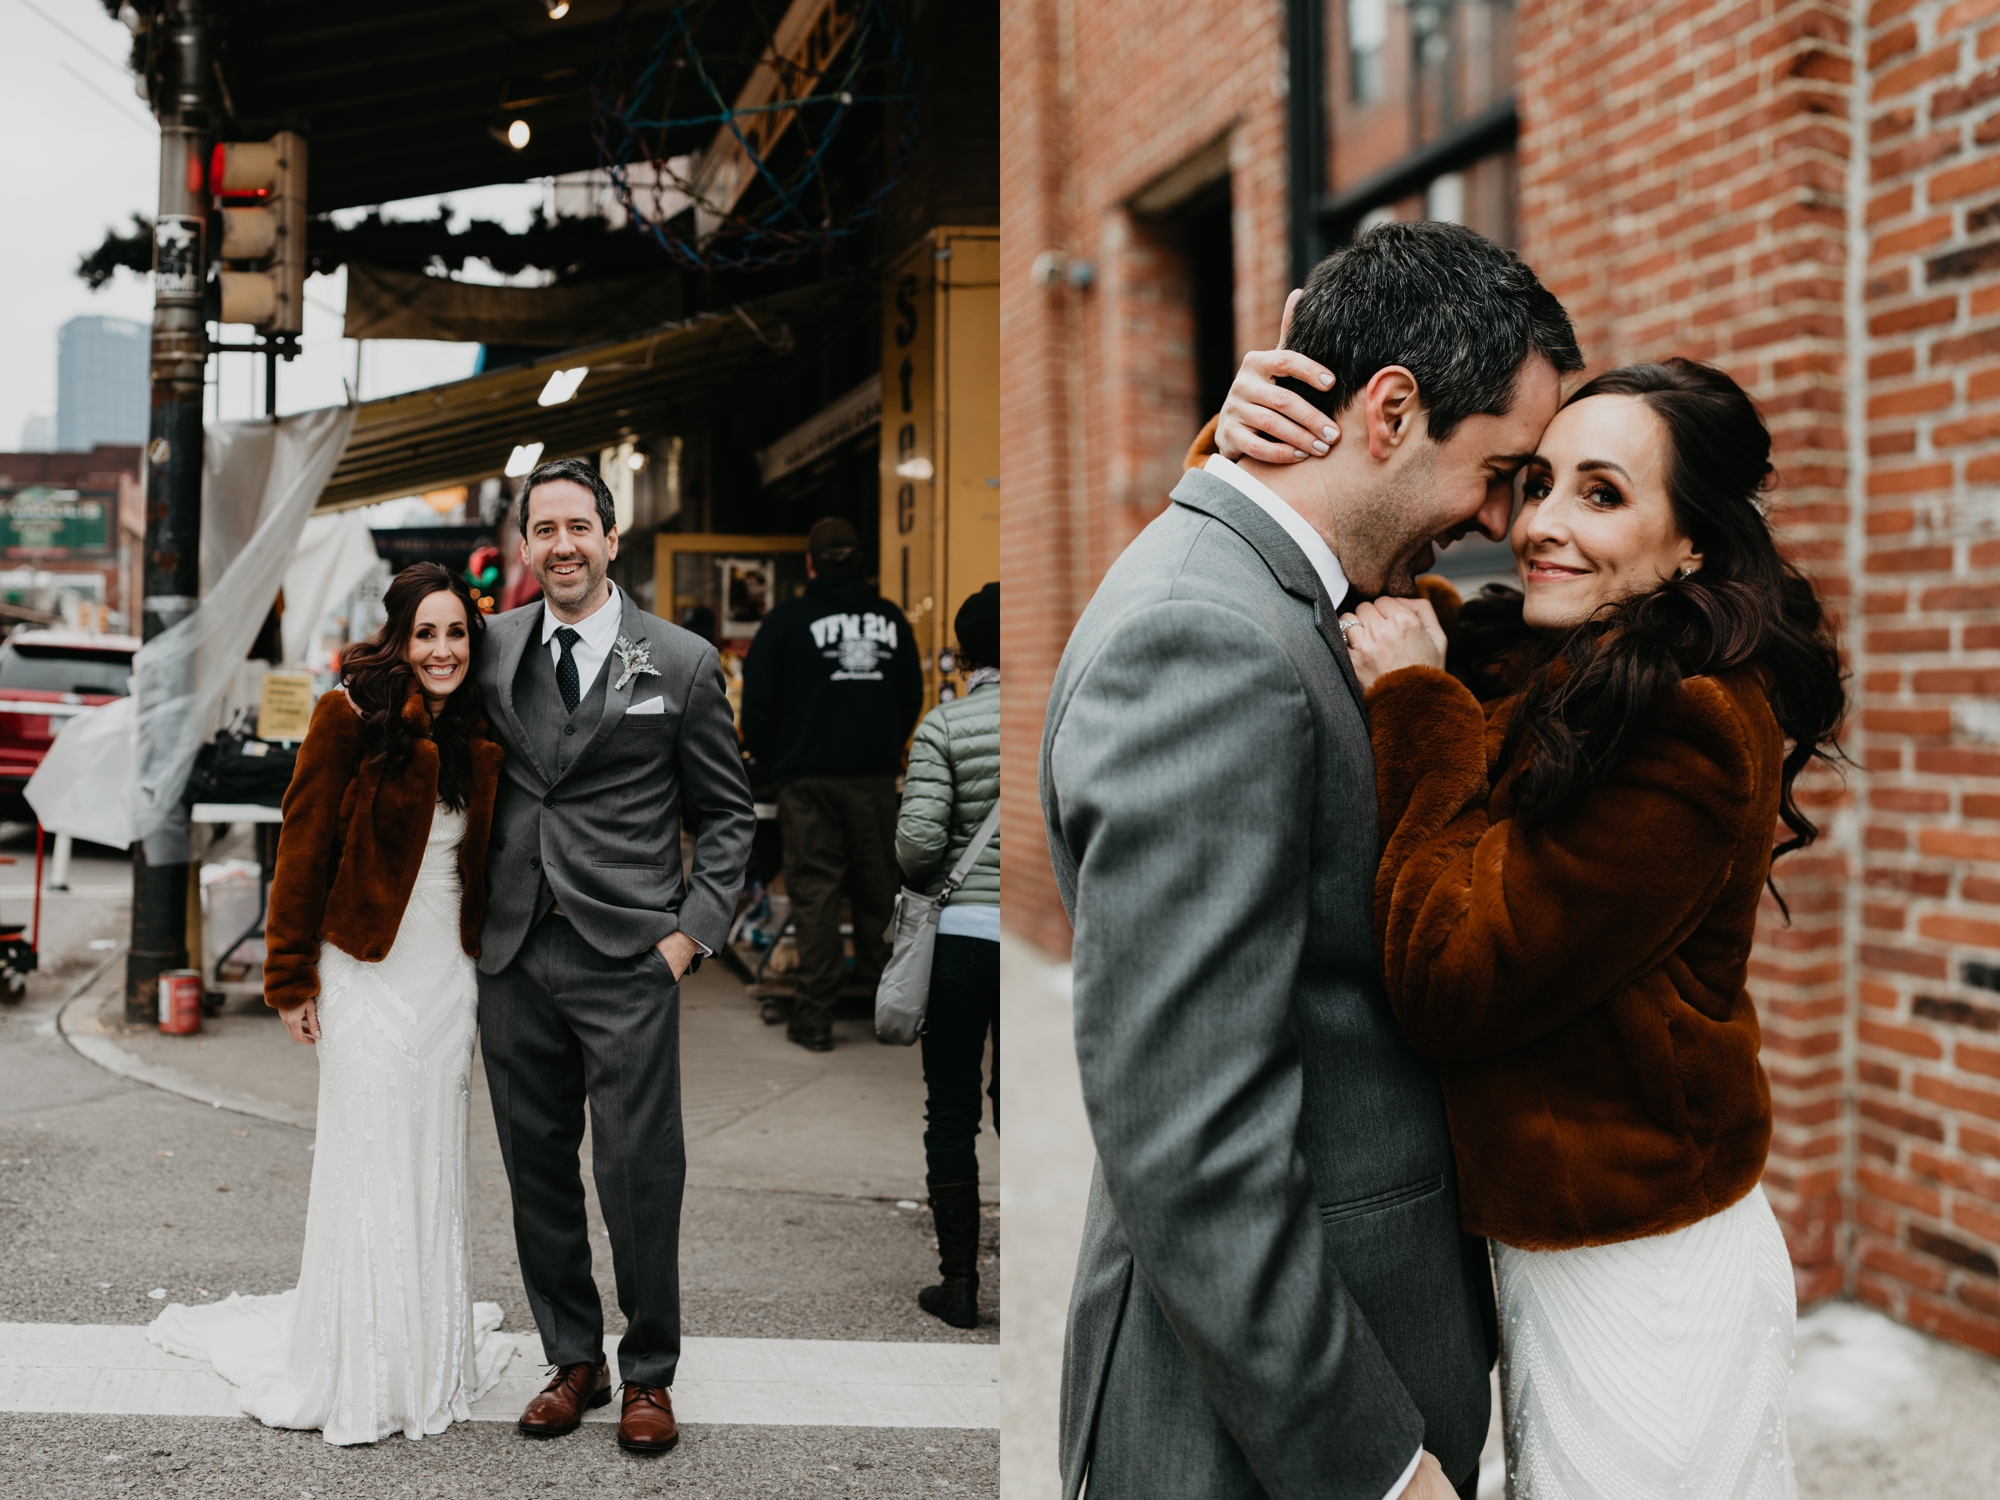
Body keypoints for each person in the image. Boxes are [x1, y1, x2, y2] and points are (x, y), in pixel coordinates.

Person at [1040, 221, 1582, 1500]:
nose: (1501, 520)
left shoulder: (1285, 591)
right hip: (1251, 1417)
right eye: (1498, 471)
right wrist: (1374, 1469)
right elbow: (1188, 1134)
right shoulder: (1203, 636)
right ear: (1389, 409)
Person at [148, 562, 513, 1445]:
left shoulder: (480, 726)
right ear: (396, 637)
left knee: (428, 1160)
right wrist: (288, 979)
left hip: (445, 979)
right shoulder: (346, 715)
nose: (441, 650)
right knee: (369, 1156)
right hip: (362, 970)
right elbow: (303, 847)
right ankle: (355, 1363)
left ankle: (423, 1355)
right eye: (425, 633)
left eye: (456, 632)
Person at [474, 457, 755, 1454]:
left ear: (609, 537)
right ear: (523, 544)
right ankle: (572, 1359)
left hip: (628, 956)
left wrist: (689, 934)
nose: (560, 547)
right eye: (541, 530)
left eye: (576, 528)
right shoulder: (489, 645)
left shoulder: (674, 661)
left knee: (639, 1170)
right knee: (534, 1167)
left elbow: (726, 816)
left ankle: (648, 1373)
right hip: (510, 951)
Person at [741, 516, 923, 1051]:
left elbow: (758, 707)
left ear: (811, 563)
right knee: (877, 890)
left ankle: (815, 1019)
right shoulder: (891, 619)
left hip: (808, 782)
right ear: (860, 562)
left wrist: (779, 765)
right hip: (873, 781)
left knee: (815, 894)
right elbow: (909, 696)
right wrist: (884, 746)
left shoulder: (787, 621)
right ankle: (885, 1008)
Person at [895, 582, 999, 1329]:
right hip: (1041, 945)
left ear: (964, 651)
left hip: (960, 942)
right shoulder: (1067, 715)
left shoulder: (944, 726)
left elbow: (918, 847)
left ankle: (959, 1283)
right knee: (1029, 1110)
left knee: (952, 1107)